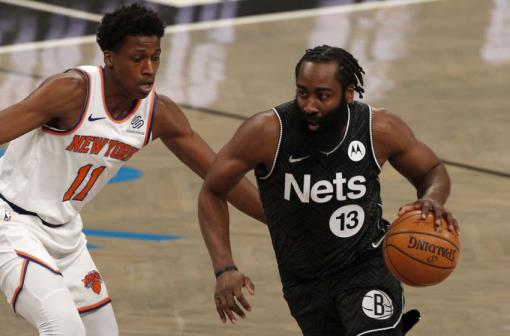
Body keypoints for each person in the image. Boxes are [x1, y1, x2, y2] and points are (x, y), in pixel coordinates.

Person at [0, 4, 264, 336]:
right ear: (110, 57)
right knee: (64, 328)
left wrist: (280, 219)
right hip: (11, 222)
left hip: (66, 233)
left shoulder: (158, 113)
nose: (149, 69)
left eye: (155, 57)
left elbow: (219, 175)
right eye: (138, 59)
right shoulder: (71, 92)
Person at [198, 45, 460, 335]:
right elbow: (212, 191)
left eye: (322, 95)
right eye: (302, 92)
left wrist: (432, 198)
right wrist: (224, 268)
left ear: (348, 93)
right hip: (305, 282)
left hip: (367, 265)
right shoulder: (267, 132)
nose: (310, 105)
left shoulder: (378, 129)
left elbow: (431, 171)